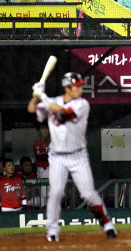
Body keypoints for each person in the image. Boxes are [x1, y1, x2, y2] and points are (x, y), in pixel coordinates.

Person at [27, 72, 117, 241]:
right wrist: (35, 95)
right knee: (56, 193)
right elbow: (32, 109)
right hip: (57, 156)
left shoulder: (83, 104)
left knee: (88, 194)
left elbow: (63, 114)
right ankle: (52, 231)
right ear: (68, 88)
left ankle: (107, 224)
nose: (80, 89)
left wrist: (43, 96)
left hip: (78, 156)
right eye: (77, 86)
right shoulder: (53, 101)